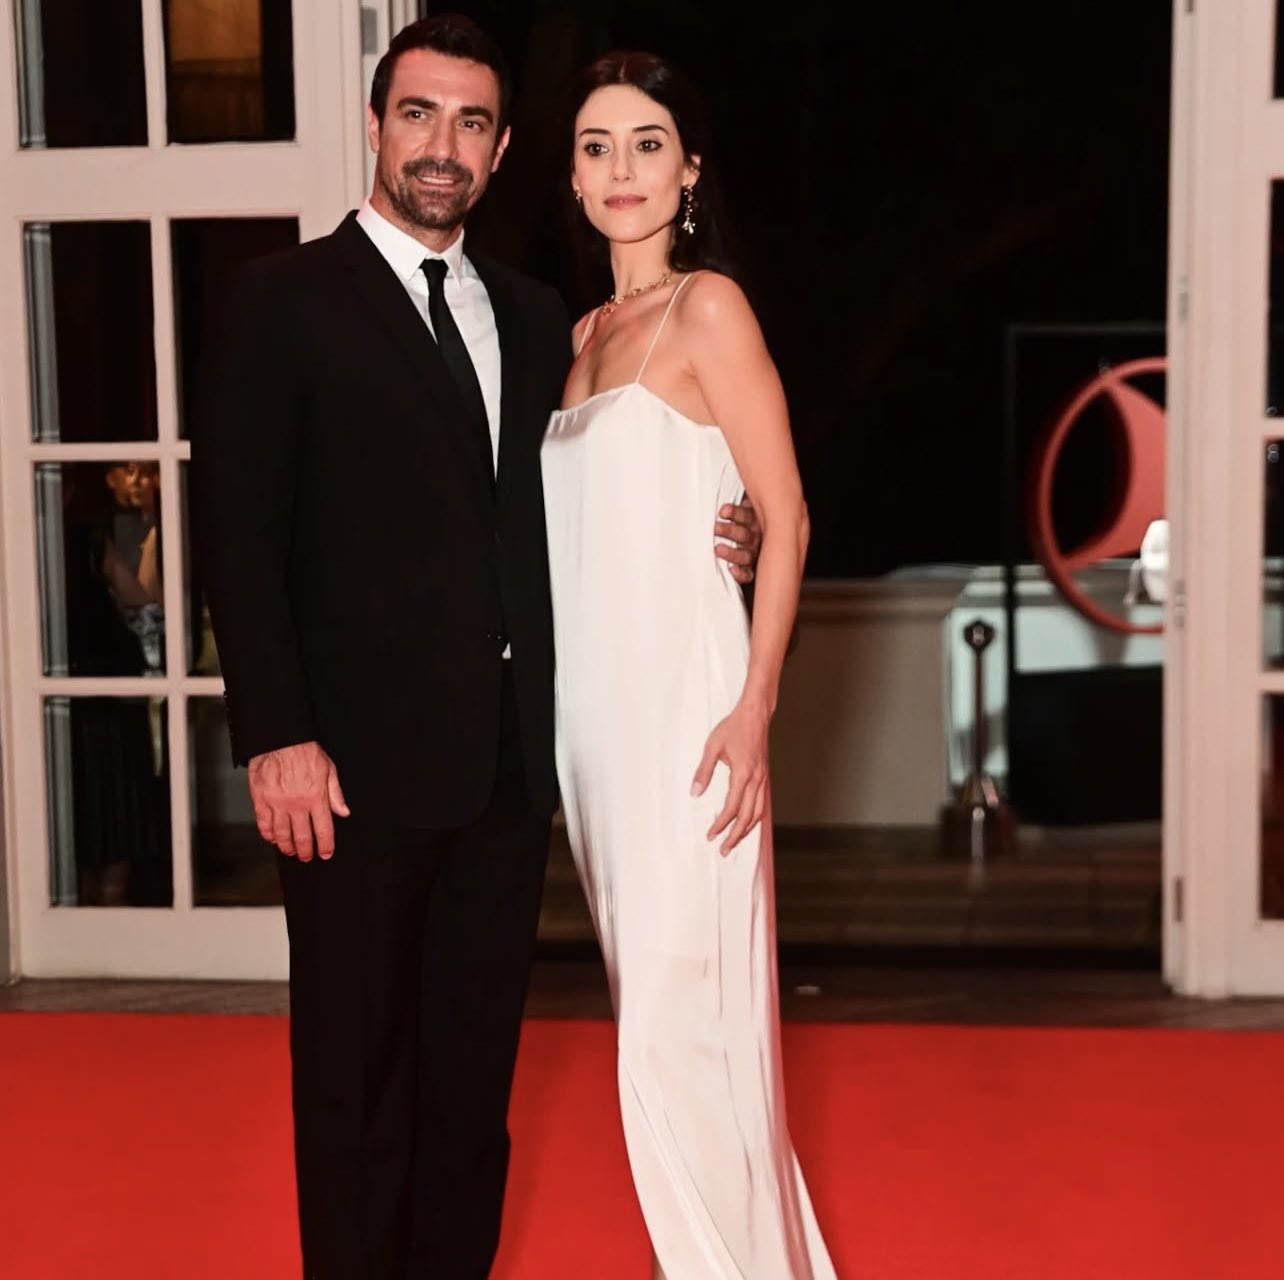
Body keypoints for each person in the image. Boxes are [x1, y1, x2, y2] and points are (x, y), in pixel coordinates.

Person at [192, 15, 760, 1280]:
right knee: (355, 1085)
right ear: (377, 126)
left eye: (470, 121)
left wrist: (731, 522)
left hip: (507, 778)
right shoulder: (280, 300)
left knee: (468, 1095)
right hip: (347, 777)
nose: (440, 144)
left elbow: (608, 486)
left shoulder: (539, 313)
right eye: (418, 113)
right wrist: (277, 733)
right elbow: (241, 532)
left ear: (501, 150)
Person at [542, 51, 836, 1278]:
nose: (623, 168)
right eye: (598, 145)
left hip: (690, 715)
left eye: (648, 142)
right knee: (659, 1024)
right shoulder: (580, 335)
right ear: (572, 177)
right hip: (594, 732)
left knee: (679, 1034)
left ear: (690, 171)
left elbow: (788, 512)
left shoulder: (709, 307)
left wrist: (753, 708)